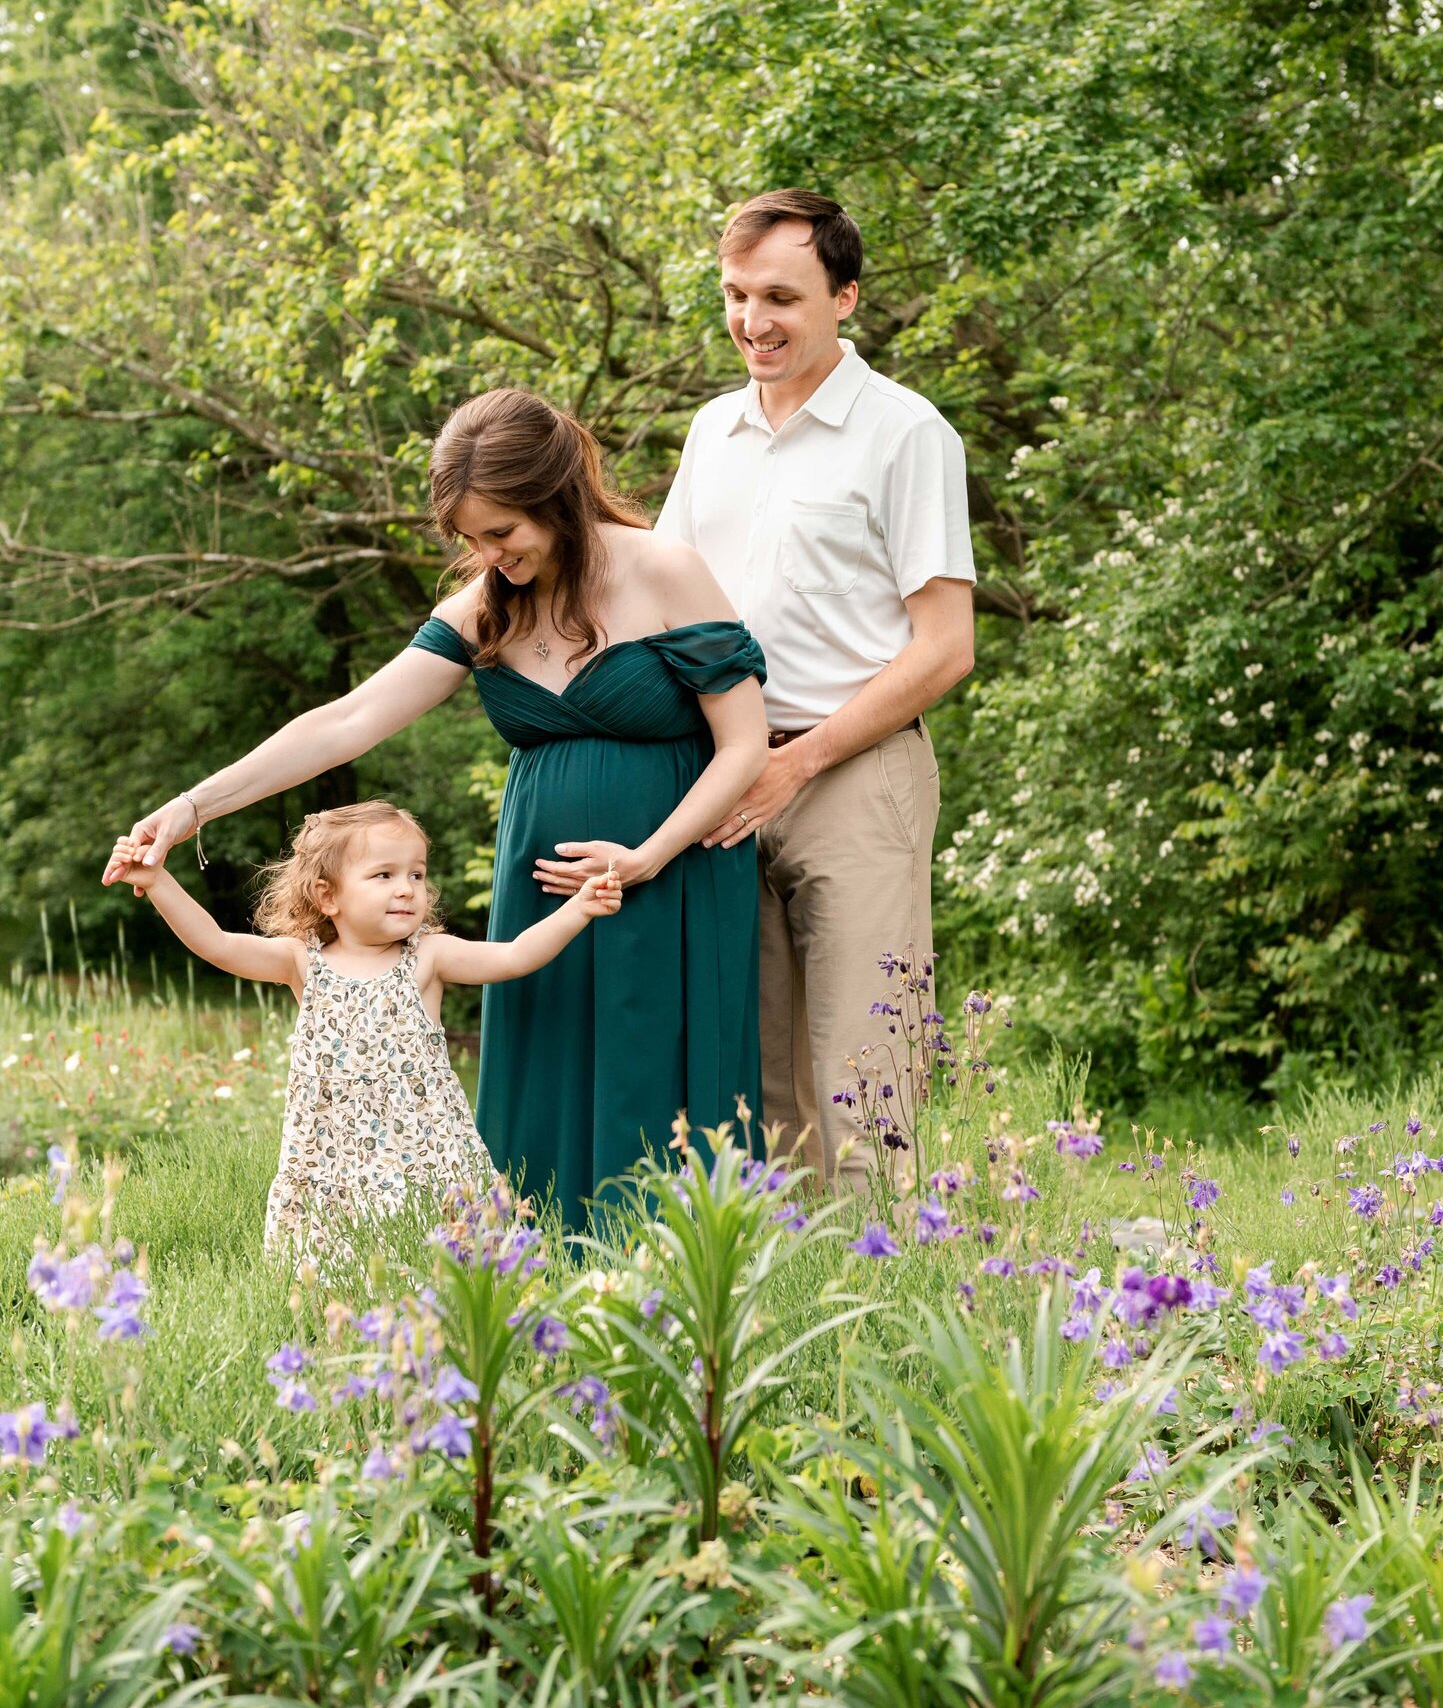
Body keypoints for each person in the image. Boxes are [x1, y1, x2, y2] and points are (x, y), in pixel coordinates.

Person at [104, 390, 768, 1227]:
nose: (489, 554)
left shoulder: (665, 569)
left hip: (672, 867)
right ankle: (534, 1263)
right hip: (547, 876)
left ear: (555, 496)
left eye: (503, 532)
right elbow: (346, 721)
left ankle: (677, 1269)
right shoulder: (483, 608)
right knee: (549, 1052)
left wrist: (647, 854)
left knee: (658, 1063)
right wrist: (194, 806)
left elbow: (745, 744)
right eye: (469, 538)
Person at [655, 190, 977, 1184]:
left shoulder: (905, 432)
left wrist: (800, 760)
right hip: (726, 775)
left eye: (781, 297)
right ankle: (797, 1314)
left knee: (863, 1076)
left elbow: (945, 647)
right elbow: (661, 595)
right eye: (735, 293)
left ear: (844, 297)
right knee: (755, 1080)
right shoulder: (712, 430)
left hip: (854, 774)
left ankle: (888, 1316)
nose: (753, 321)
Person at [108, 798, 622, 1255]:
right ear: (327, 896)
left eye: (416, 875)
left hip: (426, 1155)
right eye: (384, 876)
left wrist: (579, 909)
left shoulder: (428, 957)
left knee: (447, 1265)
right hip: (334, 1163)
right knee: (345, 1270)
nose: (406, 889)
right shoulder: (301, 962)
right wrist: (156, 880)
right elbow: (216, 943)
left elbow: (514, 956)